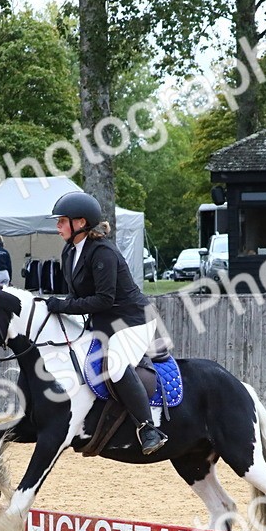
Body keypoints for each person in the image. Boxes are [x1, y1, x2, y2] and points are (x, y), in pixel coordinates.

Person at [44, 191, 167, 455]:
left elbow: (104, 299)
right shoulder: (70, 252)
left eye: (62, 221)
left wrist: (62, 306)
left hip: (133, 321)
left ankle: (148, 428)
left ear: (80, 223)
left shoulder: (103, 252)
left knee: (116, 366)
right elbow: (76, 296)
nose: (58, 226)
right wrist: (56, 308)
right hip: (104, 323)